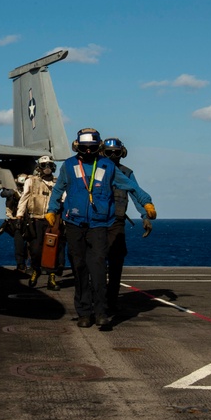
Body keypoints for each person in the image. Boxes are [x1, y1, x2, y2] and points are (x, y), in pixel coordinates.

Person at [47, 128, 156, 328]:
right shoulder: (69, 165)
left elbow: (130, 186)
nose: (88, 152)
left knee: (97, 268)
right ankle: (84, 313)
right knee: (79, 269)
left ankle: (101, 312)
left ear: (98, 148)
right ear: (77, 147)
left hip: (99, 224)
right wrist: (52, 209)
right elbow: (59, 188)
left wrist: (146, 203)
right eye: (85, 148)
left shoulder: (107, 166)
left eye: (92, 148)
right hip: (74, 224)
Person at [101, 137, 154, 313]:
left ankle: (111, 299)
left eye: (116, 153)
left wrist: (145, 215)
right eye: (109, 153)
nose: (113, 156)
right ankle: (98, 297)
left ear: (122, 153)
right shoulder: (96, 170)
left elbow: (134, 192)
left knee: (116, 261)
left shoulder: (126, 173)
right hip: (97, 222)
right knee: (96, 261)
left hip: (117, 221)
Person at [17, 155, 63, 290]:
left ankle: (51, 277)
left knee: (52, 250)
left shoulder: (58, 182)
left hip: (53, 221)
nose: (47, 168)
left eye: (49, 165)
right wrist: (19, 216)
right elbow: (24, 198)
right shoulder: (31, 181)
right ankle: (36, 270)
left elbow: (64, 198)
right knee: (35, 250)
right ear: (39, 167)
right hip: (35, 219)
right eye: (44, 165)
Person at [0, 174, 31, 273]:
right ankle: (21, 264)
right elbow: (4, 194)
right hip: (16, 220)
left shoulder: (30, 190)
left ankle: (29, 264)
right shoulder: (13, 191)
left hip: (29, 219)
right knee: (19, 244)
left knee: (31, 244)